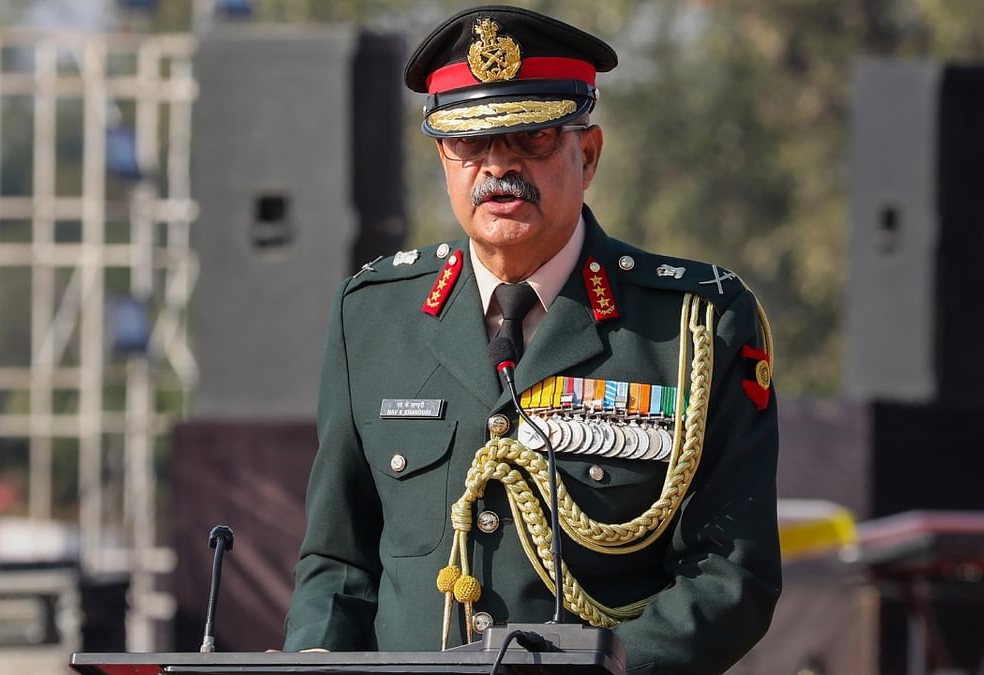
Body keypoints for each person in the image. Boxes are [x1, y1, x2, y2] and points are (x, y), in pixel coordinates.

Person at [284, 5, 781, 673]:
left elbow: (730, 574)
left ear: (590, 153)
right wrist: (314, 658)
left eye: (532, 139)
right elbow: (339, 560)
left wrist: (603, 667)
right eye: (471, 143)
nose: (498, 166)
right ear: (443, 156)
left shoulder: (694, 325)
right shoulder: (372, 316)